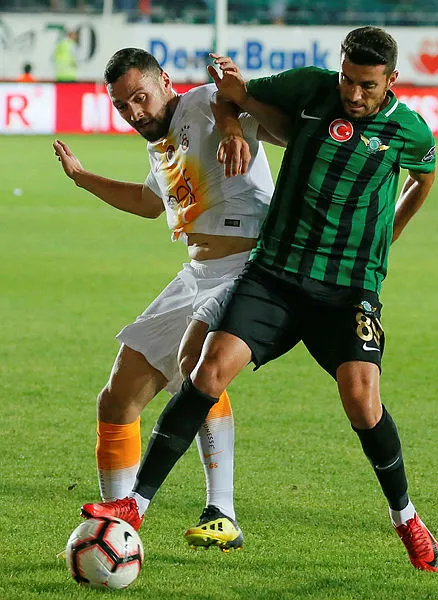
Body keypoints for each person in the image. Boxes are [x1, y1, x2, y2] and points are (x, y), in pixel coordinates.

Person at [81, 26, 438, 572]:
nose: (352, 94)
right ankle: (135, 505)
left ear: (391, 80)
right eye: (347, 79)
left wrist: (388, 235)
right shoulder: (310, 88)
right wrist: (234, 102)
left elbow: (424, 175)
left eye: (366, 85)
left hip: (347, 285)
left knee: (362, 398)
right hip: (275, 271)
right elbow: (235, 95)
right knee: (206, 369)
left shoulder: (408, 130)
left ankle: (406, 518)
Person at [54, 47, 285, 550]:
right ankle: (116, 527)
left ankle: (222, 512)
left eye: (140, 97)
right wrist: (82, 178)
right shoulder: (160, 142)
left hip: (247, 267)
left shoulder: (206, 102)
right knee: (117, 397)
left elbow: (253, 113)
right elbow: (147, 202)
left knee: (197, 364)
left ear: (164, 80)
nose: (134, 112)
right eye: (122, 105)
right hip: (197, 274)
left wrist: (233, 116)